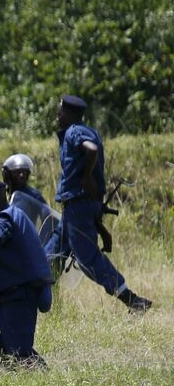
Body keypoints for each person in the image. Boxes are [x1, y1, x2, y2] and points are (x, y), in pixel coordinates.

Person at [44, 95, 152, 313]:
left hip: (79, 202)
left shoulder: (76, 131)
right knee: (52, 255)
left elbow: (91, 149)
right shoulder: (80, 130)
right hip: (75, 204)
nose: (57, 116)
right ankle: (38, 302)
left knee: (86, 257)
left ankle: (133, 301)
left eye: (60, 112)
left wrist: (86, 177)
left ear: (71, 114)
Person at [0, 181, 54, 366]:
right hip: (5, 294)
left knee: (21, 352)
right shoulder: (15, 215)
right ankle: (17, 367)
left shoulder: (3, 218)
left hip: (20, 295)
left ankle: (35, 373)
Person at [1, 153, 58, 245]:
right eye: (17, 172)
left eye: (24, 172)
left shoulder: (33, 194)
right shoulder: (1, 193)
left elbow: (48, 217)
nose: (21, 175)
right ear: (8, 174)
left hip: (26, 236)